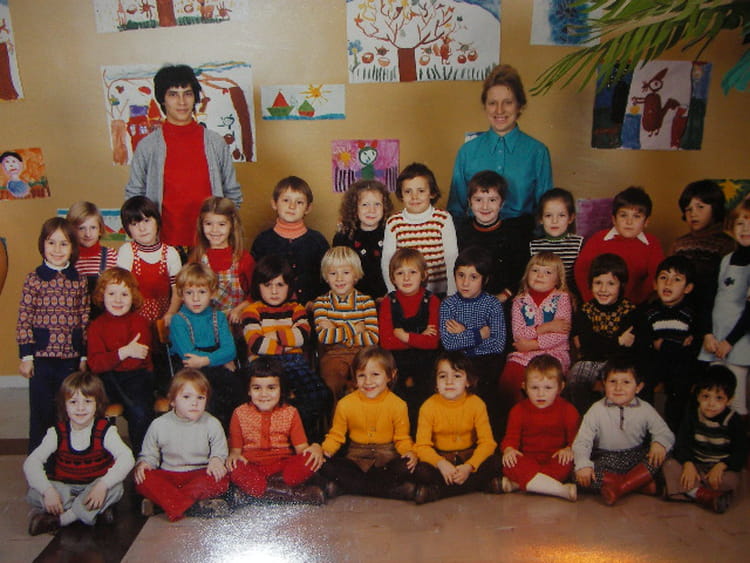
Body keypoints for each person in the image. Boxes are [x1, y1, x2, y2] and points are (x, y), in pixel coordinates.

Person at [124, 64, 242, 250]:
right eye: (173, 94)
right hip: (164, 243)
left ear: (195, 97)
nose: (182, 102)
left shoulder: (215, 142)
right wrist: (146, 241)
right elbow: (134, 197)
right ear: (162, 99)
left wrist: (222, 233)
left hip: (209, 242)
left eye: (187, 93)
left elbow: (232, 193)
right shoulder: (147, 146)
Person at [23, 372, 134, 536]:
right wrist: (48, 491)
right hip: (65, 487)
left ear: (97, 404)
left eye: (87, 401)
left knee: (116, 489)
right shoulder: (57, 432)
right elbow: (31, 462)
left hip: (93, 486)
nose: (80, 408)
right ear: (64, 405)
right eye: (73, 402)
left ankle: (62, 519)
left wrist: (102, 485)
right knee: (34, 492)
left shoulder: (105, 430)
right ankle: (89, 512)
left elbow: (127, 458)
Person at [447, 64, 552, 233]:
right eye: (492, 103)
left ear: (519, 105)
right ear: (485, 106)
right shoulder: (467, 152)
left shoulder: (537, 152)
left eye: (508, 103)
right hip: (476, 238)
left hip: (522, 237)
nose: (499, 110)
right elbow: (456, 211)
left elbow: (546, 212)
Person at [309, 346, 418, 500]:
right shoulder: (345, 404)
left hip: (386, 458)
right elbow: (336, 436)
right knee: (324, 464)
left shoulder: (398, 405)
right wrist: (324, 451)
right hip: (355, 459)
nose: (368, 382)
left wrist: (409, 452)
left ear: (390, 375)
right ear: (354, 377)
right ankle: (394, 491)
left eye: (375, 374)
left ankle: (344, 488)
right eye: (361, 375)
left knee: (407, 465)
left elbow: (402, 438)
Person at [241, 255, 331, 441]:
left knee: (319, 393)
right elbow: (256, 344)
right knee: (275, 396)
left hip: (294, 362)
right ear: (258, 286)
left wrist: (272, 336)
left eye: (280, 285)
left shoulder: (296, 309)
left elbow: (302, 336)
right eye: (268, 285)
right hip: (263, 364)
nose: (274, 291)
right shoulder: (252, 310)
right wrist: (286, 344)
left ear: (289, 286)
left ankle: (300, 436)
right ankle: (277, 437)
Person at [17, 217, 89, 451]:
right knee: (41, 413)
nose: (57, 250)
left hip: (70, 358)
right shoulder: (34, 279)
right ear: (42, 245)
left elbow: (84, 317)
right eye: (51, 243)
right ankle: (38, 462)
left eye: (64, 244)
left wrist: (83, 355)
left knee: (67, 412)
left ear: (73, 248)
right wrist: (26, 356)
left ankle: (65, 460)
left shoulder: (78, 280)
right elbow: (24, 319)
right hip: (41, 358)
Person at [573, 358, 674, 506]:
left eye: (626, 382)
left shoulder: (645, 408)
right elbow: (583, 441)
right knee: (577, 474)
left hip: (634, 458)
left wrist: (659, 443)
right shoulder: (596, 409)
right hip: (606, 460)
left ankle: (621, 486)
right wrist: (583, 464)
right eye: (612, 381)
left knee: (664, 452)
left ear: (638, 387)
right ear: (604, 384)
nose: (618, 388)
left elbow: (664, 432)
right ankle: (638, 484)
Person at [226, 357, 325, 505]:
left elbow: (301, 449)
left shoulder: (290, 412)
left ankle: (255, 493)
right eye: (257, 388)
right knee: (235, 468)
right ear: (248, 390)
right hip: (252, 466)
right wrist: (233, 456)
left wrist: (315, 448)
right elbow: (235, 452)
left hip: (282, 468)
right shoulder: (239, 413)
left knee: (310, 459)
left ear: (281, 390)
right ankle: (296, 494)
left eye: (271, 388)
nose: (264, 394)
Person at [135, 368, 230, 521]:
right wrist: (146, 463)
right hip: (169, 475)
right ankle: (192, 506)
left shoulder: (211, 423)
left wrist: (217, 460)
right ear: (172, 401)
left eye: (200, 397)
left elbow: (220, 450)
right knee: (143, 478)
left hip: (199, 474)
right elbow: (149, 453)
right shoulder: (159, 424)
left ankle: (169, 504)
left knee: (221, 479)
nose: (194, 403)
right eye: (186, 397)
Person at [413, 351, 501, 504]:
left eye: (457, 376)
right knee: (421, 471)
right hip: (442, 460)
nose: (449, 382)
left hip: (468, 458)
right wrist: (440, 463)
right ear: (435, 383)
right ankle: (478, 486)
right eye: (443, 376)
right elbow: (421, 446)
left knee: (495, 462)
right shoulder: (428, 407)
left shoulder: (477, 404)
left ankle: (438, 492)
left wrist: (469, 466)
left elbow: (487, 443)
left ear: (468, 381)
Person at [662, 365, 748, 513]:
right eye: (706, 396)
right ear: (698, 397)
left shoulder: (733, 420)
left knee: (732, 479)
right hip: (696, 466)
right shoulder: (692, 414)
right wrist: (688, 464)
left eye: (719, 398)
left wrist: (722, 465)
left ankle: (687, 492)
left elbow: (740, 451)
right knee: (669, 465)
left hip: (719, 470)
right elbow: (682, 443)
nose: (711, 404)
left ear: (729, 400)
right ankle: (703, 495)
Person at [87, 268, 154, 453]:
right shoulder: (96, 326)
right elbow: (95, 364)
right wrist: (125, 351)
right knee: (92, 406)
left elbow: (136, 362)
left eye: (124, 294)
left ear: (133, 297)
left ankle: (143, 457)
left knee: (140, 412)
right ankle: (105, 455)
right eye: (111, 294)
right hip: (107, 380)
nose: (118, 300)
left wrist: (109, 358)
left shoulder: (139, 322)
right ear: (102, 295)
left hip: (136, 377)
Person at [439, 247, 505, 434]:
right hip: (458, 360)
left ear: (485, 280)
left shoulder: (492, 304)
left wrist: (464, 334)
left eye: (473, 277)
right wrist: (479, 334)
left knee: (487, 391)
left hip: (486, 361)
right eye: (461, 275)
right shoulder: (448, 305)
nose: (465, 283)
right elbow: (449, 343)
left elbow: (498, 343)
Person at [169, 263, 242, 431]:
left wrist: (206, 360)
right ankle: (207, 436)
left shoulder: (219, 317)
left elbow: (230, 350)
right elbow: (189, 356)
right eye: (189, 293)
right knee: (207, 394)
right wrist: (219, 358)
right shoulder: (178, 320)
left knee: (237, 388)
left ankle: (230, 436)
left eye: (202, 292)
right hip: (190, 372)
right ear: (181, 294)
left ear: (212, 293)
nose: (196, 299)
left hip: (211, 366)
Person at [501, 355, 580, 501]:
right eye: (534, 388)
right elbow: (511, 438)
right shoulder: (518, 410)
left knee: (567, 463)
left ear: (560, 387)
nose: (541, 394)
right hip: (528, 460)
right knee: (510, 463)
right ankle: (560, 490)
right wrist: (509, 449)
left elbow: (576, 440)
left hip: (554, 459)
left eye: (548, 388)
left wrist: (569, 449)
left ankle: (518, 484)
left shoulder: (568, 410)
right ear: (524, 386)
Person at [499, 252, 572, 412]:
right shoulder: (519, 301)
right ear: (527, 274)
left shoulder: (562, 299)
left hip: (554, 352)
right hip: (524, 353)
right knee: (511, 374)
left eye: (547, 272)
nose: (540, 275)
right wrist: (546, 327)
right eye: (535, 270)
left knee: (546, 375)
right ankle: (516, 414)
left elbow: (560, 335)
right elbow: (519, 333)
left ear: (558, 279)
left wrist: (532, 344)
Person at [636, 255, 702, 430]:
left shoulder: (690, 313)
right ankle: (646, 428)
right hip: (655, 363)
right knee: (643, 380)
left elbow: (693, 347)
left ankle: (673, 431)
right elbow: (645, 342)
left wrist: (663, 345)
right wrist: (675, 345)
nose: (668, 283)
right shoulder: (649, 312)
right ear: (654, 284)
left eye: (677, 279)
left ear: (688, 288)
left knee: (681, 385)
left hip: (680, 365)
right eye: (663, 277)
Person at [566, 253, 637, 414]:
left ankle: (613, 421)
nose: (603, 289)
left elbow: (627, 351)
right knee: (576, 376)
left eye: (610, 283)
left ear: (621, 286)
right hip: (590, 361)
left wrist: (600, 344)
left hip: (619, 363)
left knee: (619, 381)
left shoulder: (630, 311)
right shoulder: (585, 311)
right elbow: (587, 347)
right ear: (590, 284)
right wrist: (618, 341)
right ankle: (585, 419)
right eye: (598, 283)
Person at [379, 248, 441, 429]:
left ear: (423, 275)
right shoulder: (388, 302)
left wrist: (404, 336)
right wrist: (419, 337)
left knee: (425, 390)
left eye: (412, 272)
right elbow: (386, 342)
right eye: (400, 273)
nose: (406, 278)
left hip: (426, 361)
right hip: (397, 361)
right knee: (397, 392)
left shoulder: (432, 301)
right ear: (393, 278)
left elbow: (432, 342)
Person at [699, 198, 750, 416]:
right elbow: (710, 300)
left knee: (735, 399)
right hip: (716, 339)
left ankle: (736, 435)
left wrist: (730, 341)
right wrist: (708, 334)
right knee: (714, 394)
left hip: (739, 341)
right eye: (740, 223)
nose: (745, 229)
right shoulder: (726, 260)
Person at [575, 186, 664, 305]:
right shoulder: (598, 239)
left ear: (646, 222)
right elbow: (581, 271)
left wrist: (634, 302)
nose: (629, 222)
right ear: (614, 219)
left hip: (636, 306)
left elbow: (656, 275)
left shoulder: (652, 243)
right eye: (623, 215)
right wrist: (592, 301)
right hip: (598, 303)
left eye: (636, 216)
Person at [381, 162, 458, 296]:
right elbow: (388, 261)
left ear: (432, 193)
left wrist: (452, 293)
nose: (414, 197)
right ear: (401, 195)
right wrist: (392, 292)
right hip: (406, 292)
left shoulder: (443, 219)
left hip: (440, 292)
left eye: (421, 191)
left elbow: (451, 257)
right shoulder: (394, 222)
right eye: (408, 191)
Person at [313, 246, 379, 401]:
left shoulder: (366, 302)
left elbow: (372, 338)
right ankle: (337, 415)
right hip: (333, 354)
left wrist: (336, 331)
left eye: (346, 273)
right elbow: (325, 338)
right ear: (326, 276)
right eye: (333, 273)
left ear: (356, 275)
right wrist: (354, 328)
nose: (339, 279)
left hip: (363, 354)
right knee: (332, 381)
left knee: (369, 380)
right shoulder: (321, 303)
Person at [251, 176, 329, 306]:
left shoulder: (318, 241)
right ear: (274, 203)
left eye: (299, 202)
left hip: (310, 309)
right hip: (271, 311)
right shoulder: (263, 241)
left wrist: (317, 302)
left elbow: (329, 277)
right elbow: (255, 281)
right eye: (286, 200)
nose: (292, 206)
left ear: (308, 208)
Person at [455, 170, 530, 302]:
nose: (485, 206)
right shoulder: (461, 231)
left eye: (492, 200)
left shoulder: (513, 234)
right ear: (469, 202)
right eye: (478, 200)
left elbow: (522, 272)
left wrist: (503, 296)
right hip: (466, 298)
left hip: (502, 299)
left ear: (502, 203)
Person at [670, 179, 735, 319]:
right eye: (688, 209)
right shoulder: (679, 244)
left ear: (715, 208)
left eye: (700, 207)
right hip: (680, 310)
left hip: (712, 310)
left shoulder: (727, 244)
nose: (693, 213)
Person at [189, 196, 255, 324]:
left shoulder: (243, 258)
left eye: (221, 224)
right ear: (201, 225)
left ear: (232, 226)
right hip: (205, 324)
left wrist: (239, 310)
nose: (214, 230)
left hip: (235, 324)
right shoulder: (196, 258)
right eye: (208, 224)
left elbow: (255, 295)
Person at [117, 196, 182, 324]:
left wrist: (171, 313)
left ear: (157, 221)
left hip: (164, 319)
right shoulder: (127, 251)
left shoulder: (170, 253)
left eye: (146, 221)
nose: (142, 228)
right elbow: (121, 288)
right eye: (134, 224)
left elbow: (178, 291)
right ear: (127, 229)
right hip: (133, 319)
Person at [333, 179, 393, 301]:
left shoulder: (391, 233)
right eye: (365, 204)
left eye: (377, 204)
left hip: (385, 297)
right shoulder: (343, 237)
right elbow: (336, 271)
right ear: (354, 208)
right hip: (353, 300)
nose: (372, 210)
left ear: (385, 207)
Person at [66, 201, 118, 318]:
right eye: (81, 228)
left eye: (93, 227)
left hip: (103, 321)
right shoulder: (66, 257)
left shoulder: (111, 255)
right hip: (74, 319)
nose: (88, 234)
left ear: (100, 229)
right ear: (72, 231)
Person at [529, 188, 583, 294]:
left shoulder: (578, 244)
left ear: (571, 218)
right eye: (548, 215)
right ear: (540, 219)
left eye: (561, 215)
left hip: (570, 297)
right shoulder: (533, 246)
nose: (554, 221)